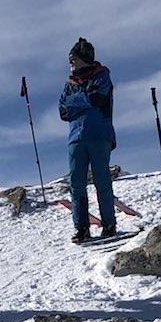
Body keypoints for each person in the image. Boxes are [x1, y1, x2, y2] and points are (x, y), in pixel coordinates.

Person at [58, 37, 116, 243]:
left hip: (99, 134)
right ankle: (81, 228)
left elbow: (97, 99)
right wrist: (83, 99)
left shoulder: (102, 75)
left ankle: (109, 224)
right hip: (75, 138)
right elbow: (62, 111)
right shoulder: (69, 84)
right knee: (76, 184)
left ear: (84, 58)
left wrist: (76, 102)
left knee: (102, 181)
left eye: (73, 59)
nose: (70, 63)